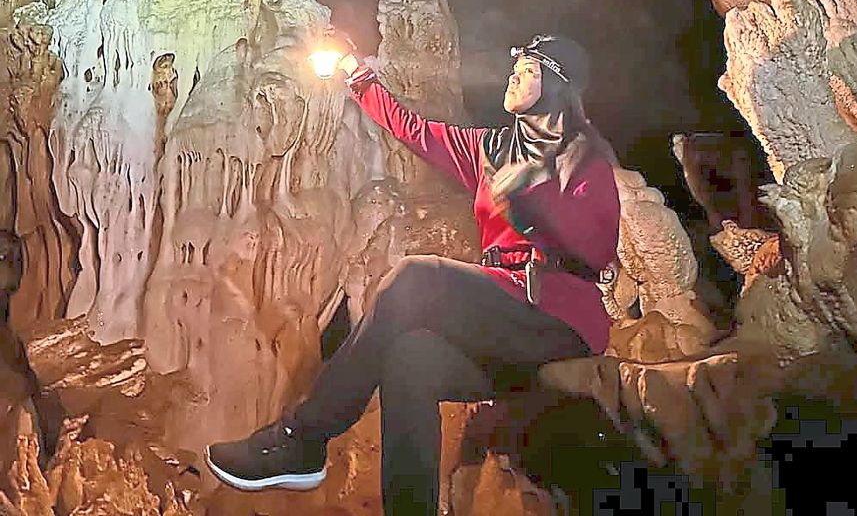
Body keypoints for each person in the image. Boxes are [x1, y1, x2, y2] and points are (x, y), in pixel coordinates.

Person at [206, 34, 621, 514]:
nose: (513, 76)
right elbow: (416, 130)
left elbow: (595, 248)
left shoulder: (584, 159)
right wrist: (355, 73)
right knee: (411, 358)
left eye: (528, 71)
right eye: (516, 68)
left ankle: (302, 437)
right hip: (500, 327)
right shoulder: (494, 149)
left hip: (557, 323)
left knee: (415, 278)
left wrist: (530, 203)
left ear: (556, 87)